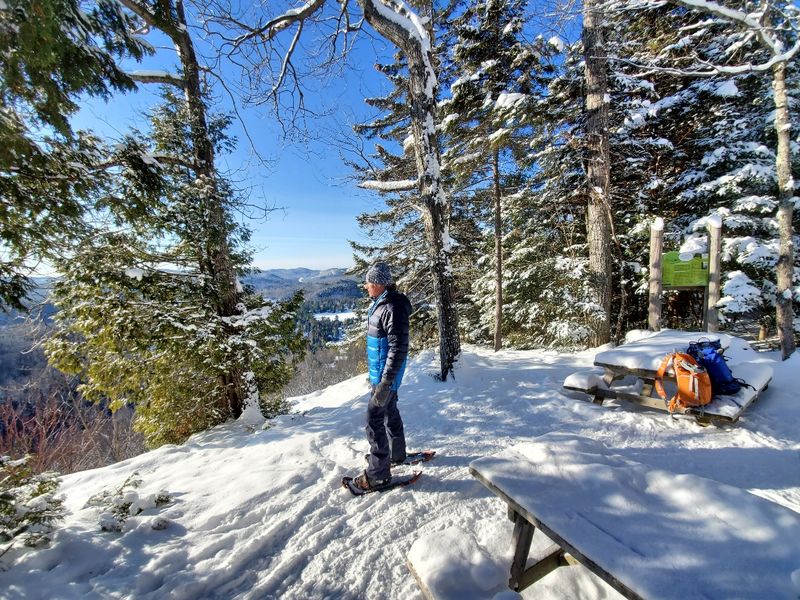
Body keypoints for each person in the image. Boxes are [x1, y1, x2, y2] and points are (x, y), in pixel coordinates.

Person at [353, 261, 412, 491]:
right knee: (389, 412)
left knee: (373, 418)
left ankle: (378, 473)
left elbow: (398, 348)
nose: (366, 286)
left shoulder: (392, 308)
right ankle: (395, 455)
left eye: (368, 282)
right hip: (383, 377)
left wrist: (385, 383)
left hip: (386, 378)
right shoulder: (382, 304)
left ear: (378, 284)